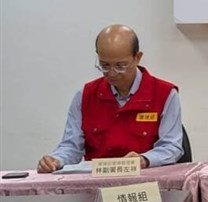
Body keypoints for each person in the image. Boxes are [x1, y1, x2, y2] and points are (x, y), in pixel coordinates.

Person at [37, 25, 184, 173]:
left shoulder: (164, 94)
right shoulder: (85, 96)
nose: (112, 74)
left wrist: (145, 159)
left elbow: (171, 147)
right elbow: (71, 146)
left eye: (120, 66)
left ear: (137, 58)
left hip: (147, 184)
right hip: (95, 185)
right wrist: (56, 160)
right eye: (105, 66)